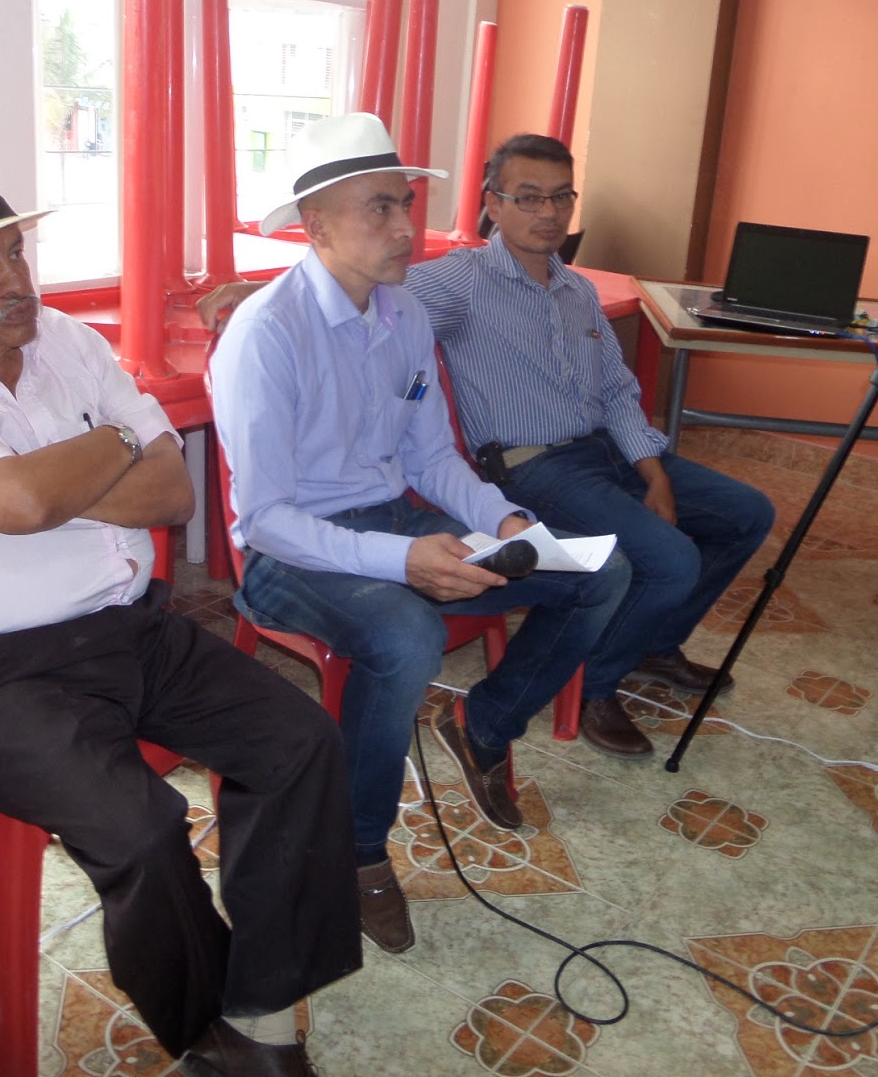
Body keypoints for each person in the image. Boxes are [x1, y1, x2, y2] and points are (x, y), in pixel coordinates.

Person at [0, 153, 359, 1077]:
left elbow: (169, 492)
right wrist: (96, 453)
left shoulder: (67, 342)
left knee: (301, 742)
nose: (14, 280)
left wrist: (44, 479)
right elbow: (25, 499)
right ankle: (206, 1031)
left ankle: (264, 1000)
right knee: (141, 831)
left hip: (132, 628)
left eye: (14, 253)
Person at [199, 133, 775, 760]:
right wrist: (265, 292)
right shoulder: (442, 286)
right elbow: (334, 289)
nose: (548, 212)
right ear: (493, 205)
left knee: (666, 545)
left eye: (561, 197)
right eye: (528, 197)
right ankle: (591, 688)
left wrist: (613, 482)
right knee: (659, 563)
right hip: (449, 492)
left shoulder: (544, 295)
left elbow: (596, 397)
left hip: (538, 470)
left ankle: (510, 713)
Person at [208, 114, 628, 956]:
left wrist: (504, 521)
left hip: (391, 516)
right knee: (406, 635)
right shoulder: (266, 334)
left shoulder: (401, 313)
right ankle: (360, 849)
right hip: (289, 553)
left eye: (404, 203)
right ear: (316, 226)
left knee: (597, 575)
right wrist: (402, 560)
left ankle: (486, 724)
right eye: (380, 208)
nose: (405, 227)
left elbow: (431, 456)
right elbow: (269, 519)